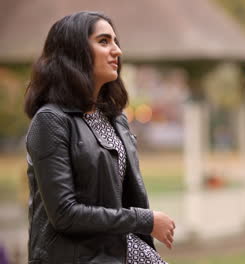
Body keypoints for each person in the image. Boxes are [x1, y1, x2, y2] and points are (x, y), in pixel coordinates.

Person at [24, 11, 175, 263]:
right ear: (74, 51)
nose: (117, 50)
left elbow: (120, 198)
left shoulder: (115, 119)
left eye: (115, 41)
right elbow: (64, 213)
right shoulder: (51, 121)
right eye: (104, 41)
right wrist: (145, 220)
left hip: (119, 251)